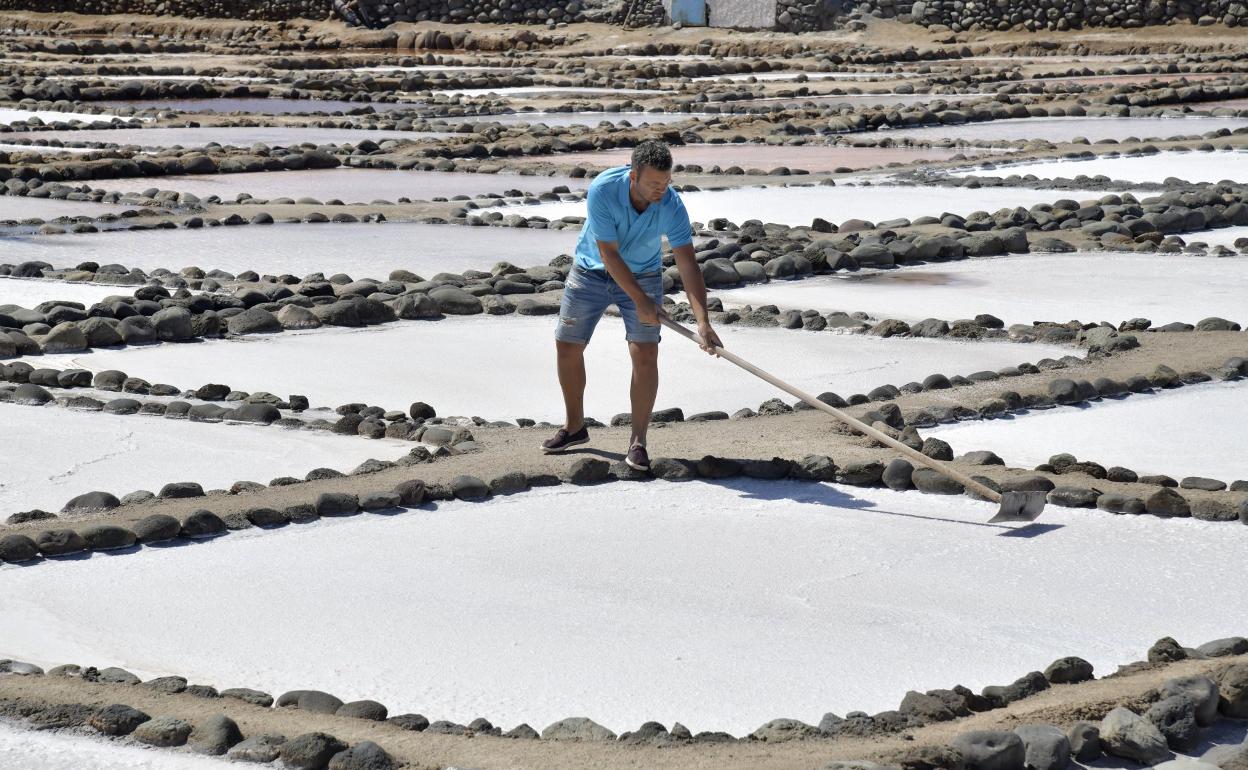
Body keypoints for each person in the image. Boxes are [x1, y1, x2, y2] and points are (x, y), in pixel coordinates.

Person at [542, 139, 721, 471]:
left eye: (666, 183)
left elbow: (687, 264)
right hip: (591, 271)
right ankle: (574, 426)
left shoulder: (671, 204)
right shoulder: (603, 190)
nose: (661, 190)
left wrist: (703, 322)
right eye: (653, 183)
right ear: (633, 175)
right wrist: (642, 302)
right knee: (567, 346)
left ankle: (638, 441)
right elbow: (608, 254)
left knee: (645, 352)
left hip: (645, 272)